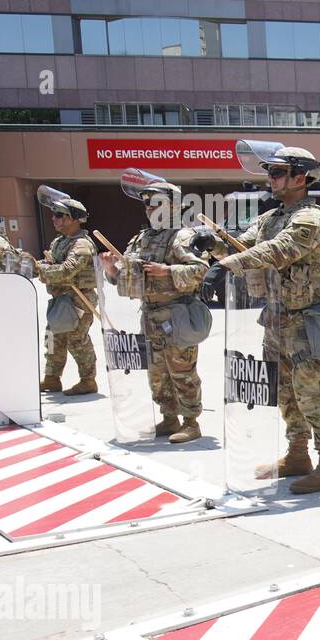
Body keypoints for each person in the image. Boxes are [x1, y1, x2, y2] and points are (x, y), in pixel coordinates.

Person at [203, 145, 320, 494]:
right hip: (275, 320)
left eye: (278, 172)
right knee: (285, 393)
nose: (271, 178)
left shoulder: (310, 218)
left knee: (313, 393)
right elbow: (245, 246)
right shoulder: (270, 218)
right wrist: (215, 246)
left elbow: (279, 250)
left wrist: (227, 265)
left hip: (305, 322)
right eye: (270, 172)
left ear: (301, 177)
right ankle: (297, 455)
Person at [101, 178, 209, 442]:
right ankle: (169, 418)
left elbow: (202, 271)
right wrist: (112, 270)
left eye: (156, 202)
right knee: (157, 373)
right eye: (147, 203)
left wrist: (168, 271)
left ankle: (191, 423)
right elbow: (128, 276)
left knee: (182, 371)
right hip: (150, 316)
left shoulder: (182, 236)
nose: (150, 207)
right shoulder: (142, 238)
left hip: (177, 315)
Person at [34, 193, 98, 395]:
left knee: (77, 340)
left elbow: (66, 270)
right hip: (60, 299)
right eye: (54, 214)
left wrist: (39, 270)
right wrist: (40, 265)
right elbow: (50, 262)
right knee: (53, 339)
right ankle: (52, 379)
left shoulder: (82, 244)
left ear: (75, 219)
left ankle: (88, 380)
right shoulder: (59, 242)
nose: (54, 218)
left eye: (60, 215)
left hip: (78, 299)